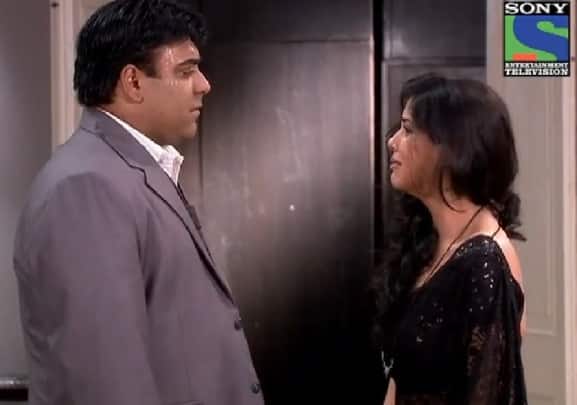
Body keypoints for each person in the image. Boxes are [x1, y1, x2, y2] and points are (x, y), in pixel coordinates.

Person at [13, 1, 264, 404]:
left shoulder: (126, 172)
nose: (204, 84)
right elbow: (103, 381)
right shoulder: (86, 187)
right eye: (186, 71)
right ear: (132, 81)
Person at [374, 73, 528, 404]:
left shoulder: (485, 261)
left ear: (450, 146)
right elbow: (400, 376)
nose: (392, 141)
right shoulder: (428, 240)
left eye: (408, 129)